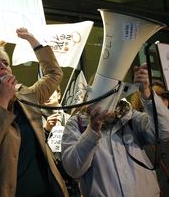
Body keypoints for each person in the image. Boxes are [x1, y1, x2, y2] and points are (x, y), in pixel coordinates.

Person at [0, 27, 68, 197]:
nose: (2, 66)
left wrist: (33, 41)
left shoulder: (26, 96)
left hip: (47, 191)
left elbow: (54, 74)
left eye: (5, 63)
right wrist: (3, 101)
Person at [61, 64, 169, 197]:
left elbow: (164, 131)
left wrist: (147, 93)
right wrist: (92, 130)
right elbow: (73, 169)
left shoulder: (130, 117)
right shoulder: (77, 124)